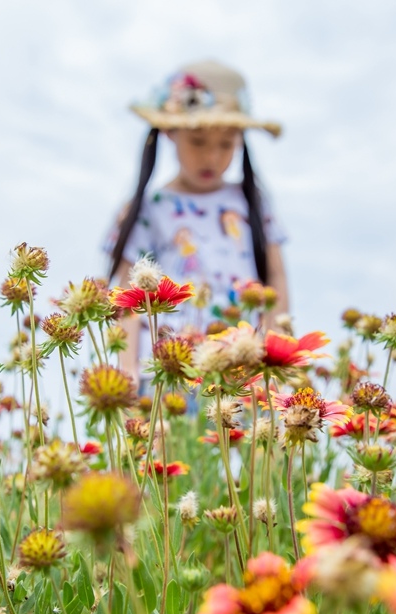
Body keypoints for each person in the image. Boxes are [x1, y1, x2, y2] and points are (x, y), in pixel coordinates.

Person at [103, 60, 289, 380]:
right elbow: (126, 296)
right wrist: (127, 372)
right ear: (170, 133)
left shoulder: (252, 201)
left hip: (240, 367)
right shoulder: (151, 206)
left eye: (226, 144)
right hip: (168, 369)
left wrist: (275, 353)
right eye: (198, 142)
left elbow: (276, 279)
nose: (212, 157)